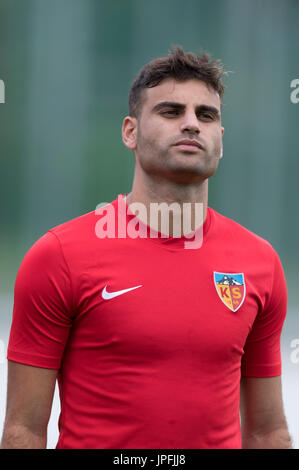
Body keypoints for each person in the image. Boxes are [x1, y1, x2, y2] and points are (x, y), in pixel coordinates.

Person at [1, 46, 292, 449]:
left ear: (220, 140)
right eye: (171, 112)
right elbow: (23, 432)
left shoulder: (260, 263)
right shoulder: (59, 258)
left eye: (206, 115)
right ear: (130, 132)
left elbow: (267, 432)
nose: (191, 124)